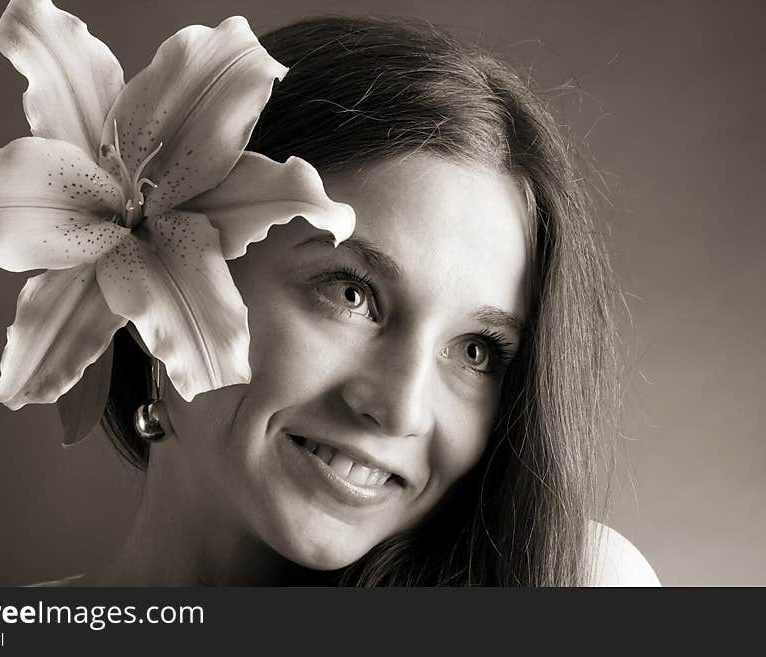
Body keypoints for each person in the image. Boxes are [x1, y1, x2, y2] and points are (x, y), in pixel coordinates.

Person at [92, 17, 660, 587]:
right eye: (351, 294)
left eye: (476, 352)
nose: (401, 410)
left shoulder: (569, 580)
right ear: (161, 284)